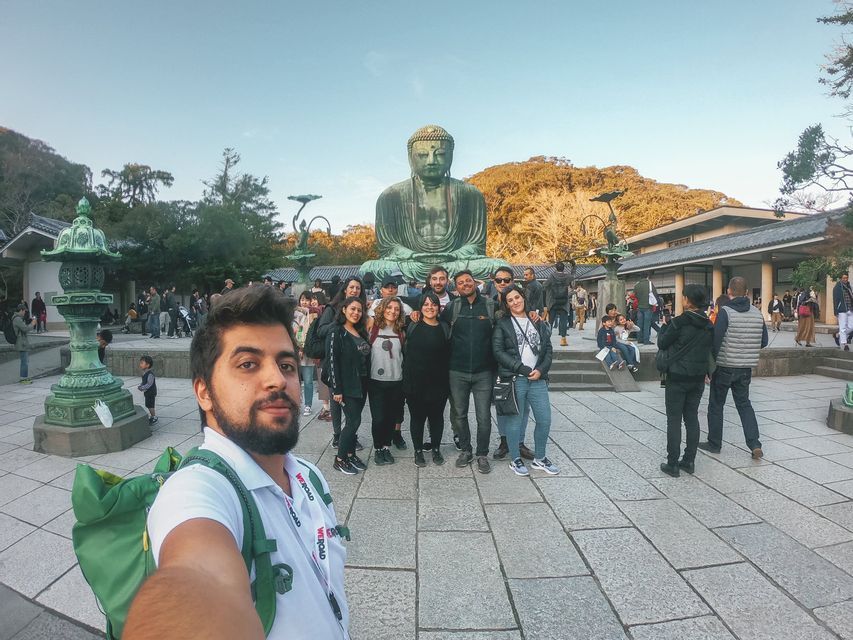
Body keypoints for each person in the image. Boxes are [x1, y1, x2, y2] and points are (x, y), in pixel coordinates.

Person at [126, 286, 348, 639]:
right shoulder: (198, 491)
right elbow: (196, 577)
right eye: (248, 364)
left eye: (286, 364)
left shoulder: (310, 477)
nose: (277, 379)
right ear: (204, 392)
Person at [492, 286, 559, 477]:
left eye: (517, 297)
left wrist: (541, 370)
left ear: (523, 297)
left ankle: (540, 458)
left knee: (544, 419)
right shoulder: (503, 323)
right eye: (510, 300)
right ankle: (515, 459)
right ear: (506, 304)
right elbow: (498, 352)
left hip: (538, 379)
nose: (515, 302)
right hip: (515, 379)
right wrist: (522, 369)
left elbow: (547, 349)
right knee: (515, 420)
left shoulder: (537, 321)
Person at [700, 276, 768, 460]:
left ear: (729, 292)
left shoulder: (725, 312)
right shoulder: (757, 313)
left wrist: (709, 368)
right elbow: (764, 341)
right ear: (746, 293)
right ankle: (754, 444)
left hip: (724, 366)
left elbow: (716, 341)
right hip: (745, 368)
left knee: (716, 405)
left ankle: (714, 443)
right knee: (744, 405)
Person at [440, 270, 497, 474]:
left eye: (468, 281)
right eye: (460, 282)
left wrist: (532, 314)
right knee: (459, 414)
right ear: (456, 287)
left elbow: (508, 320)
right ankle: (466, 450)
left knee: (483, 416)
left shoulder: (490, 306)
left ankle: (482, 454)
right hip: (457, 371)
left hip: (484, 372)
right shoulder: (452, 307)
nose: (465, 284)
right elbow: (436, 326)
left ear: (475, 283)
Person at [656, 284, 714, 477]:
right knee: (692, 417)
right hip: (697, 377)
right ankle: (689, 461)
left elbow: (662, 342)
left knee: (674, 419)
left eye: (683, 297)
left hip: (677, 377)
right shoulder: (708, 324)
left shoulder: (679, 322)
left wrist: (664, 325)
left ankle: (672, 463)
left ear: (688, 300)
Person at [489, 266, 534, 461]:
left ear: (513, 281)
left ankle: (520, 441)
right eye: (499, 280)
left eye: (506, 280)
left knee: (524, 405)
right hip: (495, 361)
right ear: (494, 282)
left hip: (520, 361)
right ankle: (505, 440)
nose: (503, 283)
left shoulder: (523, 304)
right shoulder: (489, 304)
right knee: (503, 401)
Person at [317, 277, 366, 451]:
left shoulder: (359, 310)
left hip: (352, 366)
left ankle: (350, 435)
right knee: (336, 402)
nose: (354, 290)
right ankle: (338, 436)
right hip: (333, 361)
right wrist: (340, 323)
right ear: (345, 289)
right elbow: (321, 330)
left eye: (358, 288)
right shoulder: (332, 308)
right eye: (351, 287)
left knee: (353, 412)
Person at [404, 292, 450, 467]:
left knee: (437, 417)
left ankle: (436, 448)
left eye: (433, 304)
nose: (430, 308)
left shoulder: (445, 327)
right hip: (415, 382)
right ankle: (417, 450)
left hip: (439, 382)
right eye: (426, 304)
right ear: (420, 307)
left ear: (438, 307)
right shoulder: (412, 324)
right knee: (417, 418)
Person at [326, 297, 371, 476]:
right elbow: (331, 361)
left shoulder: (360, 331)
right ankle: (340, 458)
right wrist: (336, 389)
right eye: (352, 309)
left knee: (356, 419)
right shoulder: (336, 331)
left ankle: (351, 454)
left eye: (359, 310)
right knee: (353, 421)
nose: (356, 313)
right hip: (346, 385)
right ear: (344, 309)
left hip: (361, 383)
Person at [367, 297, 406, 465]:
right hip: (376, 380)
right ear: (382, 308)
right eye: (389, 307)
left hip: (396, 380)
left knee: (391, 417)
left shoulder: (401, 331)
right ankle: (377, 448)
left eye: (396, 309)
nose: (392, 311)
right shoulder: (372, 327)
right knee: (378, 418)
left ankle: (386, 447)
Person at [293, 292, 319, 417]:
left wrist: (303, 347)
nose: (304, 302)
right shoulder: (294, 314)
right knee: (295, 380)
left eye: (306, 300)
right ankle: (296, 404)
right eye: (302, 299)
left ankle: (308, 404)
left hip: (307, 353)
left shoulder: (313, 314)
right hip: (295, 352)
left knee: (308, 380)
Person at [544, 261, 572, 347]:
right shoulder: (567, 276)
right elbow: (574, 276)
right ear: (563, 268)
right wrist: (573, 264)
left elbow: (545, 285)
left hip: (553, 302)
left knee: (550, 321)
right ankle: (563, 339)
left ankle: (547, 338)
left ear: (556, 268)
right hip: (564, 302)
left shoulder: (552, 276)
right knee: (563, 321)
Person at [633, 272, 660, 345]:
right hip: (648, 307)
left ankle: (639, 339)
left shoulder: (637, 285)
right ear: (647, 276)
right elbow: (655, 294)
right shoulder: (650, 284)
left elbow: (635, 295)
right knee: (647, 324)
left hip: (640, 307)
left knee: (639, 324)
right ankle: (646, 340)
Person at [12, 304, 36, 384]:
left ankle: (24, 377)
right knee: (24, 362)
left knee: (25, 361)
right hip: (21, 343)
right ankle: (23, 379)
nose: (25, 313)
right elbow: (25, 329)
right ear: (21, 310)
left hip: (22, 342)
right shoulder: (17, 319)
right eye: (24, 311)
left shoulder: (18, 318)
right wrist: (32, 324)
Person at [833, 273, 853, 352]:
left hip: (850, 309)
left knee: (851, 327)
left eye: (846, 278)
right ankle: (845, 344)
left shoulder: (849, 286)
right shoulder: (837, 288)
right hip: (841, 310)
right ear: (840, 279)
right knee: (843, 327)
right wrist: (835, 311)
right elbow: (835, 300)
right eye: (844, 278)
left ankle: (839, 335)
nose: (845, 279)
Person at [137, 355, 158, 425]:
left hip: (151, 392)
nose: (140, 365)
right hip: (147, 392)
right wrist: (141, 385)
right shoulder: (145, 373)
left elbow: (149, 384)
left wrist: (142, 387)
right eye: (140, 363)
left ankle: (154, 416)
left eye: (142, 363)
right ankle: (152, 416)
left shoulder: (150, 374)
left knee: (150, 405)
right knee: (148, 404)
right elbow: (144, 382)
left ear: (148, 365)